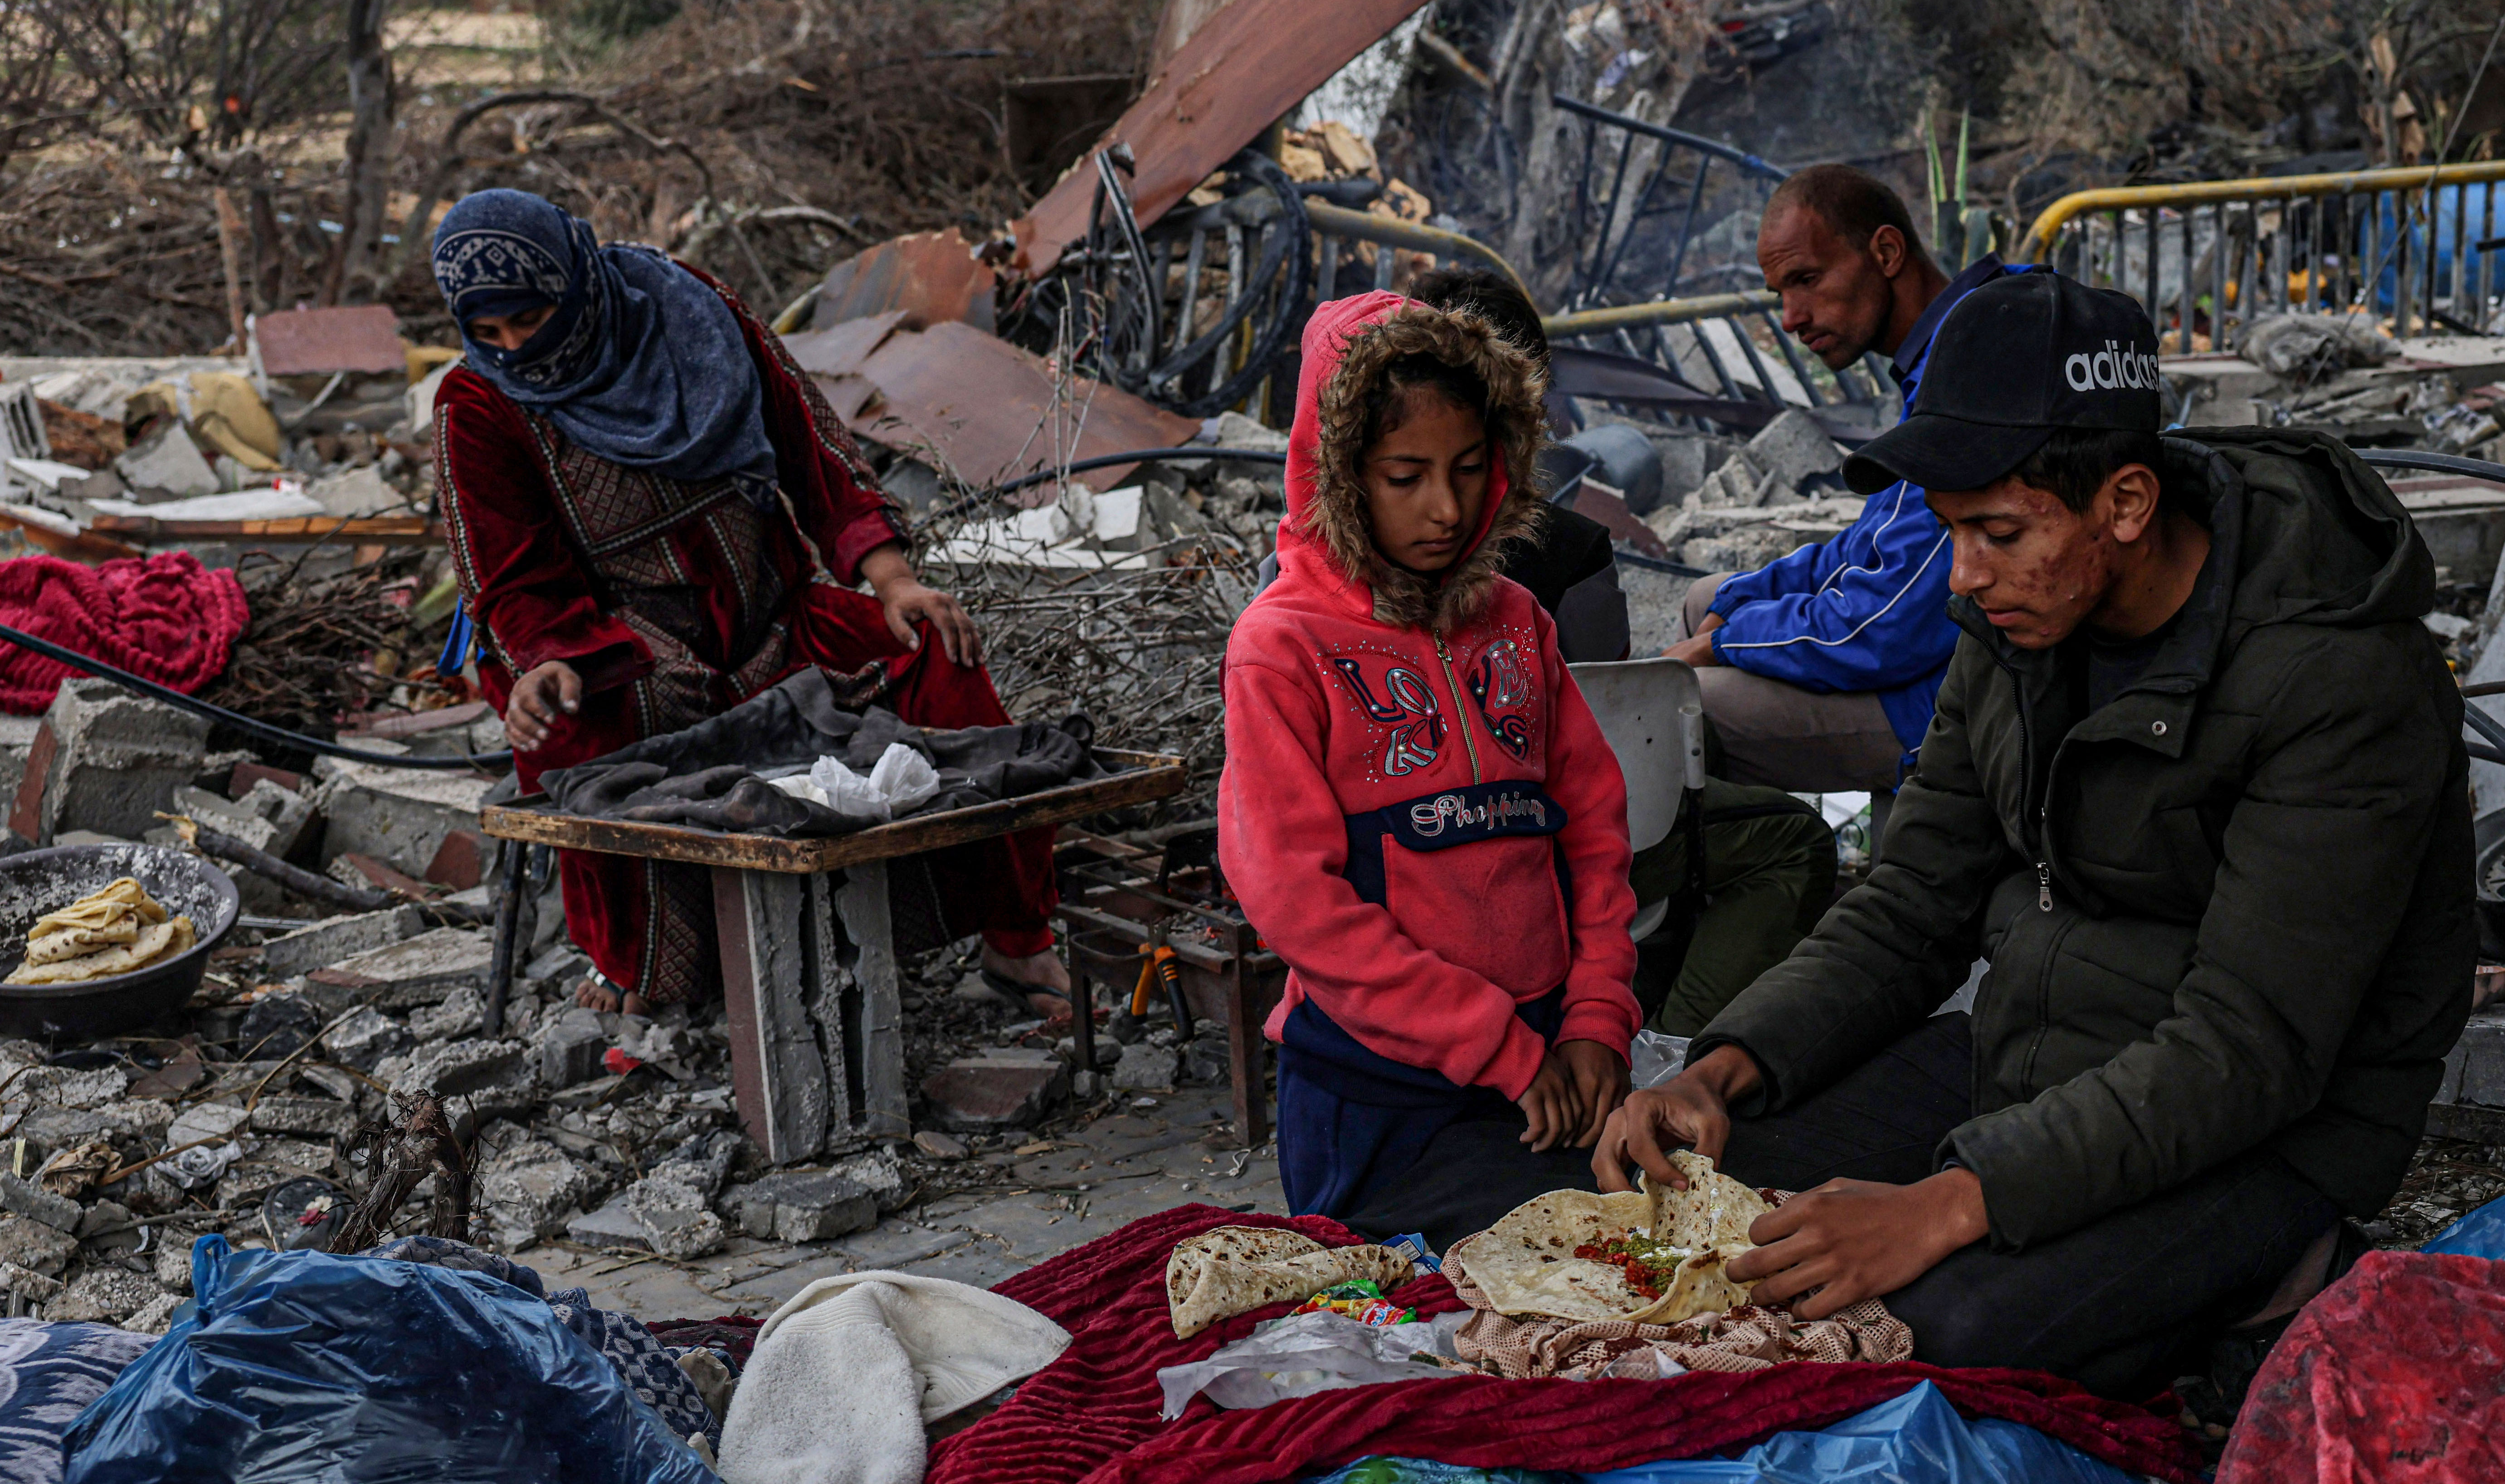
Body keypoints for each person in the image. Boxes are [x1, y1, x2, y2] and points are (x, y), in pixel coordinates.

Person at [1351, 272, 2478, 1399]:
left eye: (1997, 533)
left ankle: (2276, 1278)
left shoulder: (2336, 679)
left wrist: (1941, 1207)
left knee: (1909, 1335)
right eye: (1951, 533)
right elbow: (1909, 906)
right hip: (2026, 1065)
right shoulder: (2015, 617)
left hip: (2255, 1131)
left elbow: (2246, 1048)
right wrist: (1724, 1070)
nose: (1966, 577)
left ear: (2126, 504)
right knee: (1606, 1206)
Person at [426, 189, 1067, 1017]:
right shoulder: (478, 405)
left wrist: (894, 581)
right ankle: (645, 970)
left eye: (534, 318)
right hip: (628, 648)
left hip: (774, 618)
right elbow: (510, 574)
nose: (521, 349)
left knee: (936, 653)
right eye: (492, 334)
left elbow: (812, 450)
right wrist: (539, 662)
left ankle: (1015, 941)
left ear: (577, 281)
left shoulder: (688, 315)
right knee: (573, 733)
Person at [1218, 290, 1645, 1222]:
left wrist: (1596, 1019)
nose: (1445, 508)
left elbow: (1593, 835)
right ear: (1335, 473)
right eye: (1403, 475)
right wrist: (1495, 1044)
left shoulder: (1517, 625)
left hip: (1548, 1061)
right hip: (1373, 1092)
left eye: (1467, 467)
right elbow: (1297, 900)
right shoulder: (1281, 647)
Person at [1399, 260, 1843, 1034]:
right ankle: (1676, 1046)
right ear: (1530, 396)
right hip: (1534, 850)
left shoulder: (1318, 569)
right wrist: (1690, 664)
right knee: (1792, 836)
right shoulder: (1568, 551)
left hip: (1403, 871)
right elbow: (1601, 735)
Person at [1665, 167, 2004, 793]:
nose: (1792, 318)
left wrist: (1724, 645)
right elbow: (1867, 546)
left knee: (1676, 711)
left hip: (1950, 692)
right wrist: (1736, 607)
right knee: (1706, 597)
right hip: (1916, 648)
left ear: (1885, 251)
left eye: (1808, 280)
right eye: (1780, 294)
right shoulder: (1941, 349)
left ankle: (1770, 860)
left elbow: (1884, 629)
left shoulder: (1969, 364)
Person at [1402, 262, 1626, 663]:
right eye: (1403, 477)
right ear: (1531, 401)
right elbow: (1615, 708)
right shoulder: (1574, 555)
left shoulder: (1308, 562)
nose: (1449, 514)